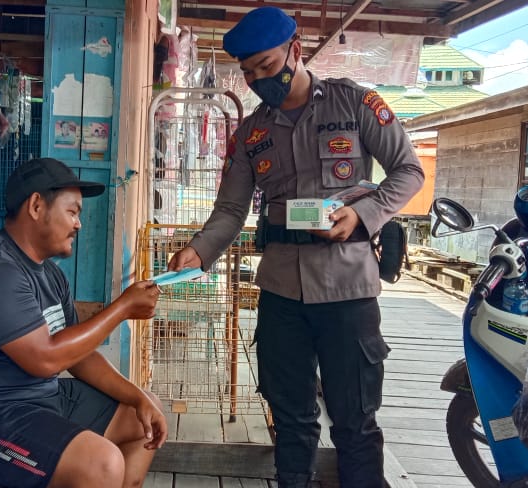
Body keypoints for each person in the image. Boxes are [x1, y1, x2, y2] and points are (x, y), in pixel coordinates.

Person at [166, 7, 425, 487]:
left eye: (265, 67)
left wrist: (363, 214)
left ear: (295, 51)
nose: (259, 80)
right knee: (290, 417)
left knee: (355, 420)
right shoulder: (251, 134)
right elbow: (229, 210)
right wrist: (198, 252)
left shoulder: (355, 105)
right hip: (283, 292)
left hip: (348, 288)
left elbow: (409, 170)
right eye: (249, 74)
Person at [0, 157, 166, 488]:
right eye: (73, 211)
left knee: (143, 419)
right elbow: (44, 358)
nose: (79, 224)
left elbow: (77, 354)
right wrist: (121, 309)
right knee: (101, 464)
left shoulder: (50, 274)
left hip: (39, 400)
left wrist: (138, 397)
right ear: (37, 206)